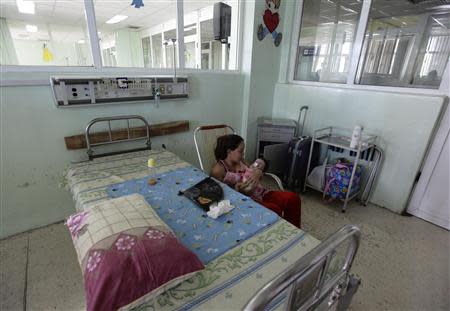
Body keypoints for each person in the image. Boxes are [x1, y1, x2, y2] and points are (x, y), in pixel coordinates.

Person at [211, 134, 301, 228]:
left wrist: (258, 172)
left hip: (261, 193)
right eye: (240, 151)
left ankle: (292, 230)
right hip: (246, 201)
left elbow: (253, 170)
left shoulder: (240, 160)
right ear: (229, 151)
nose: (243, 154)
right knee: (273, 210)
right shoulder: (218, 170)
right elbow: (221, 195)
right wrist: (239, 190)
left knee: (293, 198)